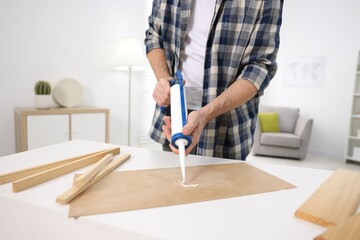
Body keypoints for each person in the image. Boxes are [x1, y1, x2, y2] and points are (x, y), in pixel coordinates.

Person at [145, 0, 284, 160]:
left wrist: (205, 114)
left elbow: (261, 65)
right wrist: (163, 79)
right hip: (173, 115)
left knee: (223, 183)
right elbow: (154, 36)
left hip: (228, 121)